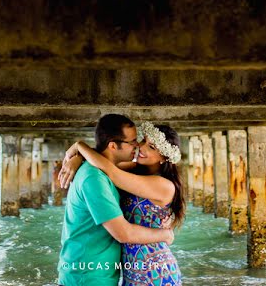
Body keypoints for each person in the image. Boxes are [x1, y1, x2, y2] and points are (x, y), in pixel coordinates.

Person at [60, 121, 184, 286]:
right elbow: (104, 160)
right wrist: (78, 159)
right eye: (144, 141)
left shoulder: (164, 186)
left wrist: (79, 146)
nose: (142, 148)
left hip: (155, 270)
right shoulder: (135, 169)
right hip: (130, 270)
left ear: (164, 158)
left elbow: (111, 171)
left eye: (152, 147)